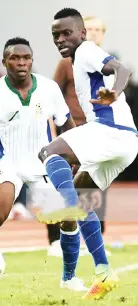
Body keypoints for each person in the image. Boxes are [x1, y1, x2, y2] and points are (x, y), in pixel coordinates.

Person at [0, 37, 86, 291]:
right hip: (8, 163)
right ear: (6, 60)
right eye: (15, 58)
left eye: (26, 58)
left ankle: (69, 278)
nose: (21, 63)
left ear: (32, 60)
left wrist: (74, 156)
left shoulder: (49, 88)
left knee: (67, 218)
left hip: (43, 165)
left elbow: (66, 123)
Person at [38, 8, 138, 299]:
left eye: (66, 32)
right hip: (126, 142)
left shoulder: (86, 51)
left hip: (109, 130)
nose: (60, 38)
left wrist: (115, 92)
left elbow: (122, 69)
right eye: (55, 34)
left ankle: (64, 205)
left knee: (48, 152)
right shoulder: (75, 59)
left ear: (82, 33)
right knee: (83, 196)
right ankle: (103, 272)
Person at [48, 15, 108, 255]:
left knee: (94, 183)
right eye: (89, 28)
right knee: (60, 181)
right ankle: (53, 238)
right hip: (71, 129)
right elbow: (53, 94)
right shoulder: (67, 62)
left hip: (97, 129)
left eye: (98, 29)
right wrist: (53, 130)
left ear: (103, 34)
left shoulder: (104, 61)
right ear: (82, 31)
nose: (93, 33)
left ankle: (94, 237)